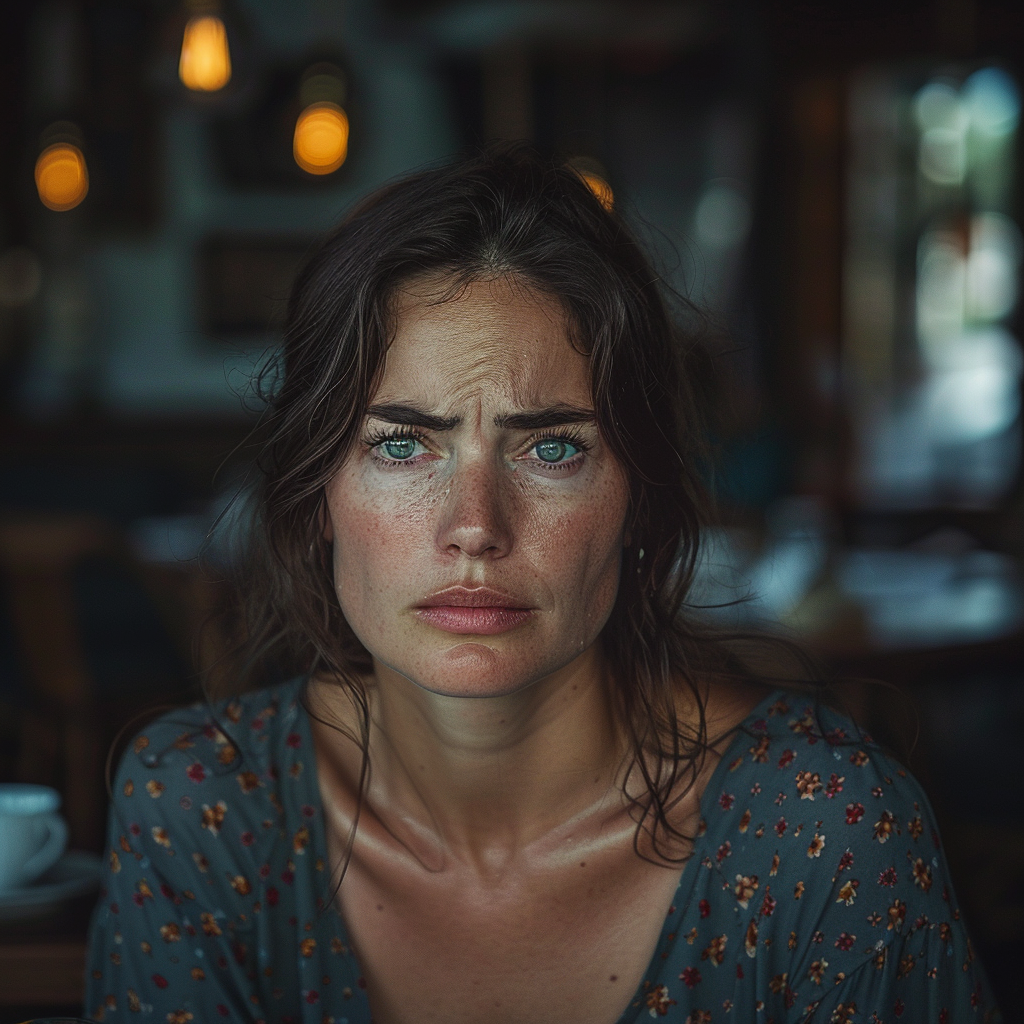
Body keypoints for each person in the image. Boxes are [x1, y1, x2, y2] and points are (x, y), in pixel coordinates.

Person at [85, 148, 1000, 1024]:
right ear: (318, 493)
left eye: (551, 447)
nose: (475, 524)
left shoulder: (824, 831)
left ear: (637, 496)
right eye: (403, 446)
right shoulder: (206, 805)